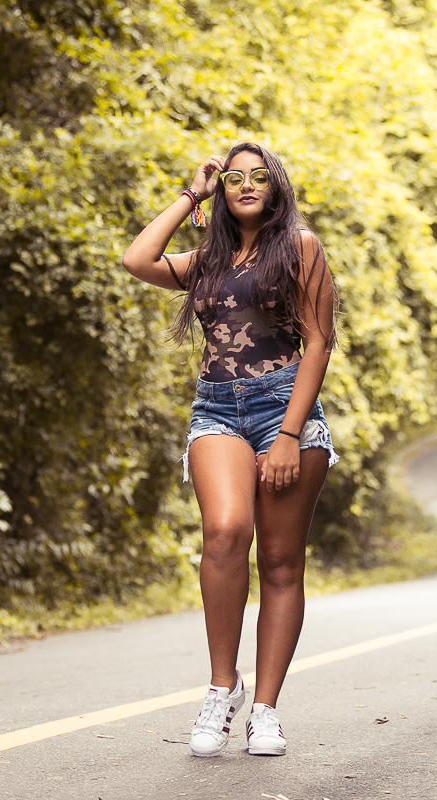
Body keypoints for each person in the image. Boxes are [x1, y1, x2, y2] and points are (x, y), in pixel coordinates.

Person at [122, 143, 338, 757]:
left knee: (279, 561)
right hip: (217, 407)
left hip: (284, 408)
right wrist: (193, 191)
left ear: (276, 186)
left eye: (257, 176)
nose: (245, 185)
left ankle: (264, 711)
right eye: (234, 178)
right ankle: (223, 689)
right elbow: (137, 258)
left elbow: (319, 344)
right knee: (224, 529)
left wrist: (291, 435)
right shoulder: (207, 259)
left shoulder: (301, 248)